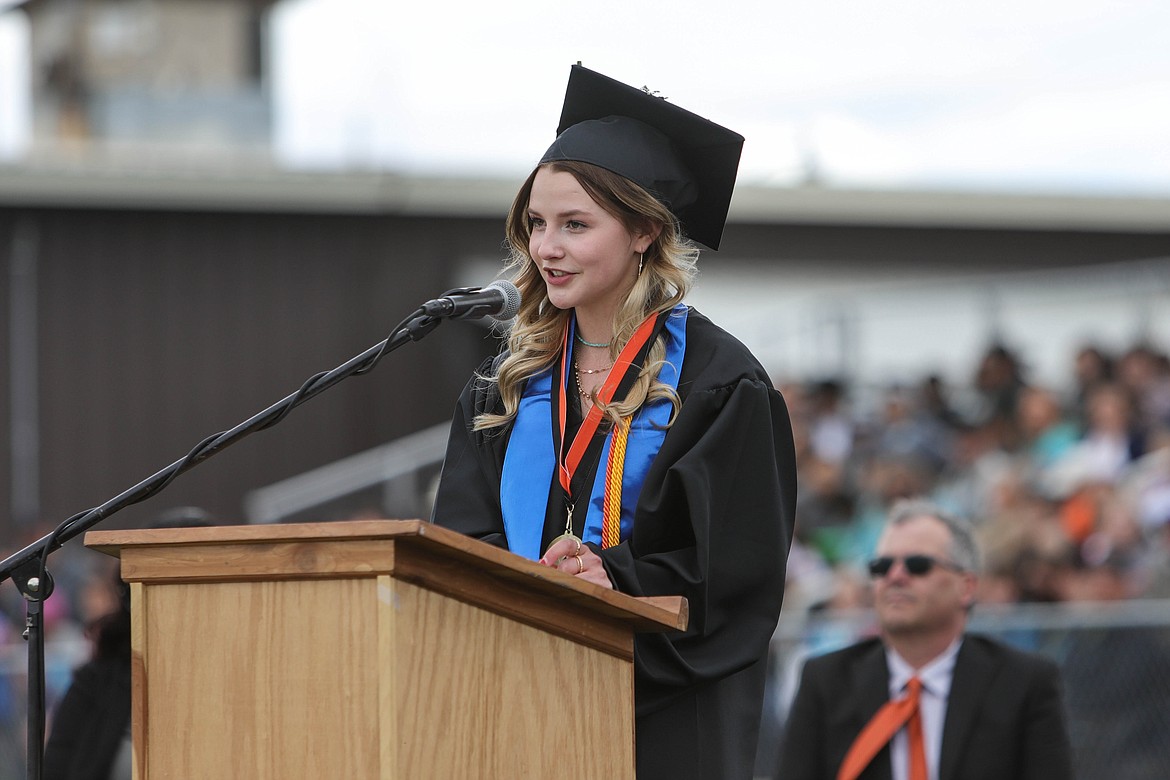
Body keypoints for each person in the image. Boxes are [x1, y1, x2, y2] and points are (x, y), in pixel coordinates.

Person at [430, 64, 797, 779]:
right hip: (519, 706)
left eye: (575, 225)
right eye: (536, 224)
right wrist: (528, 586)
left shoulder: (721, 384)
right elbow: (458, 542)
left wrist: (613, 583)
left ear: (643, 232)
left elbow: (738, 581)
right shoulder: (501, 387)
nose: (546, 249)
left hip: (663, 722)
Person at [776, 498, 1073, 780]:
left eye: (917, 565)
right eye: (881, 566)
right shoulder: (826, 680)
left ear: (966, 587)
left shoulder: (1024, 683)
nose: (895, 576)